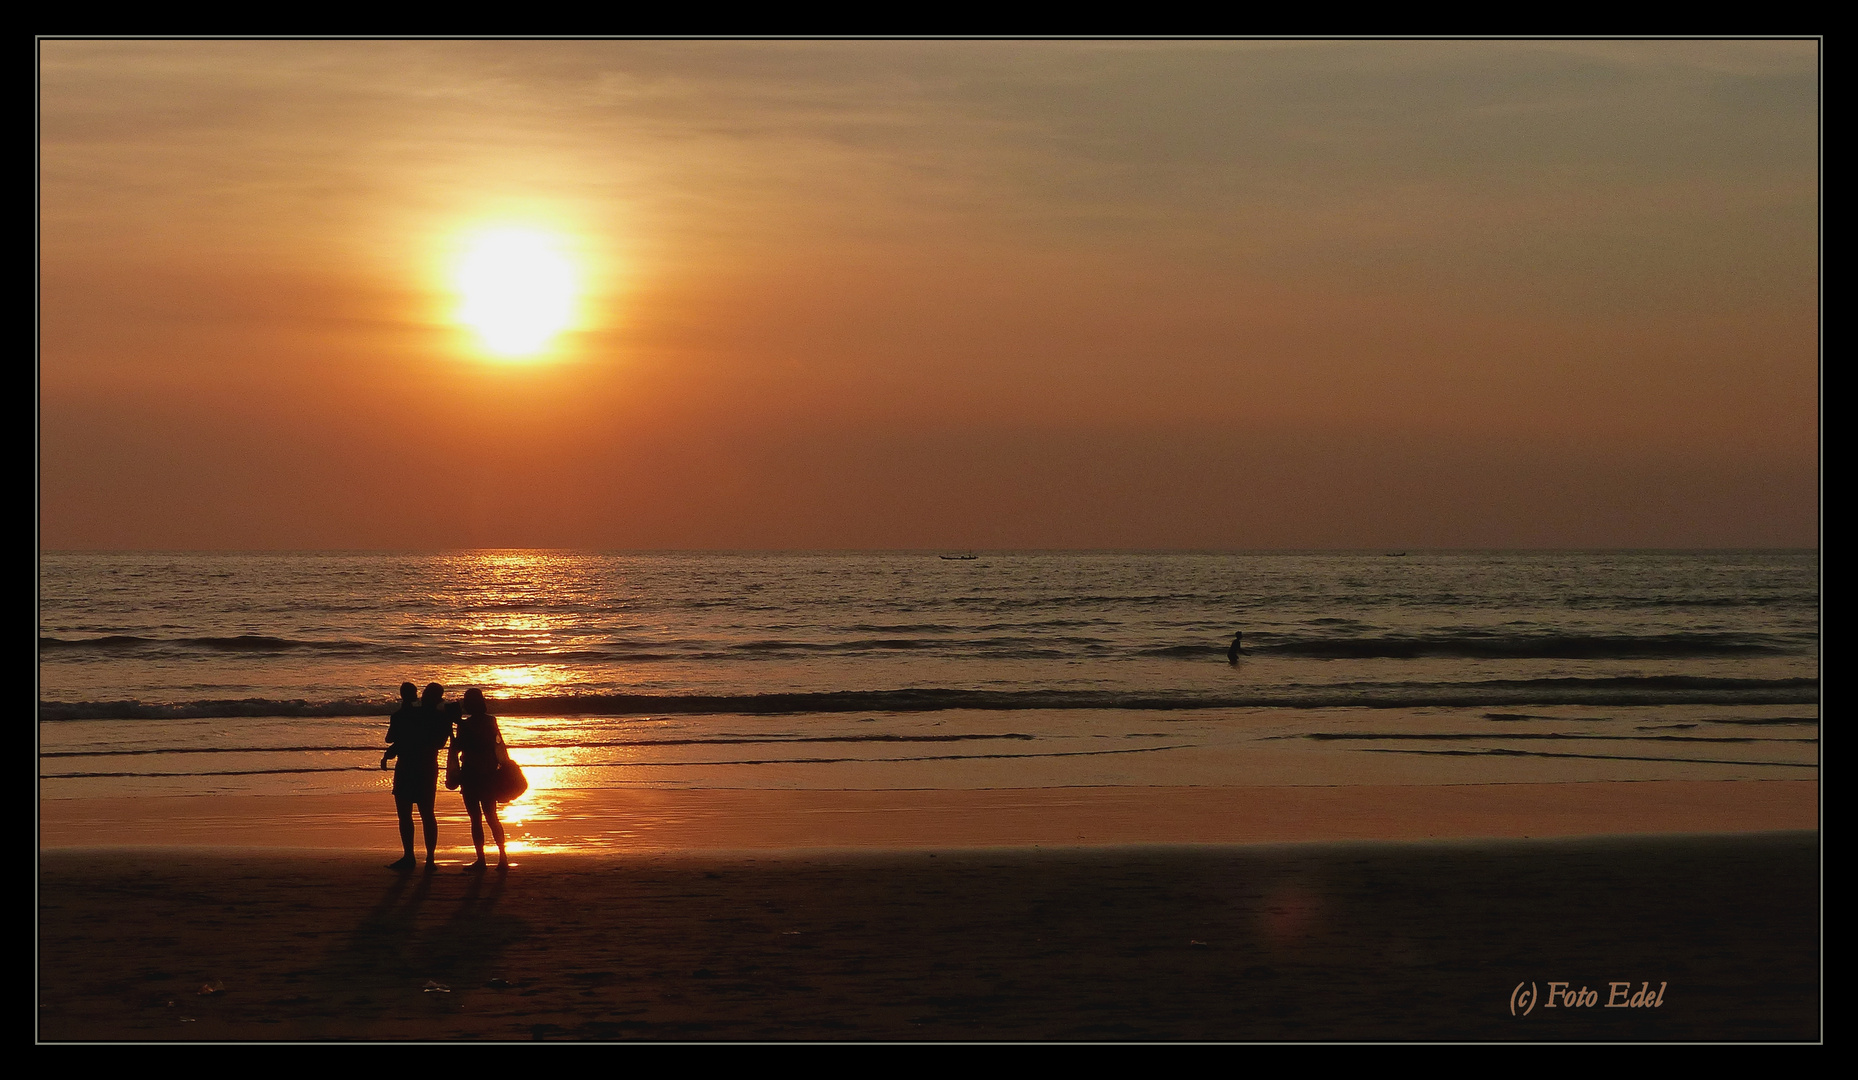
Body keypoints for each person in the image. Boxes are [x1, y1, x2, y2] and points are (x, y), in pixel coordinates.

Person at [381, 681, 451, 870]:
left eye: (427, 693)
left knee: (410, 814)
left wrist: (392, 751)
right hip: (425, 765)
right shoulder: (440, 717)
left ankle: (415, 857)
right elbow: (439, 742)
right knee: (424, 813)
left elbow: (393, 738)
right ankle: (426, 859)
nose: (424, 696)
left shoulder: (410, 715)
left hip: (411, 765)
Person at [448, 686, 509, 871]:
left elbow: (460, 747)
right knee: (491, 817)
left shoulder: (465, 724)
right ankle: (502, 857)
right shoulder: (491, 721)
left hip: (472, 774)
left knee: (476, 818)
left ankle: (482, 859)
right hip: (488, 773)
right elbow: (497, 746)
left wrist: (455, 727)